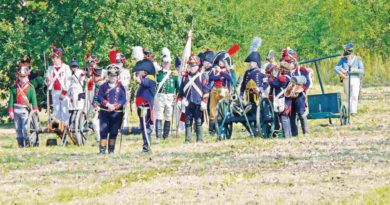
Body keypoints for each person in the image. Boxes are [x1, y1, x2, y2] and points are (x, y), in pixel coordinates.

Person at [177, 55, 210, 143]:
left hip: (198, 102)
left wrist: (204, 102)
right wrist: (179, 100)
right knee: (188, 121)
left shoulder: (202, 76)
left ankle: (199, 139)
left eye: (194, 65)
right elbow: (181, 90)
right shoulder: (185, 77)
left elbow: (206, 90)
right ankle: (188, 140)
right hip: (188, 102)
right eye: (191, 65)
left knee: (198, 121)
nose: (192, 67)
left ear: (198, 65)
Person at [96, 64, 127, 154]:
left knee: (114, 132)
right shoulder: (103, 86)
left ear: (117, 76)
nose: (112, 77)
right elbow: (99, 97)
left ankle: (111, 150)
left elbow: (123, 99)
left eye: (114, 76)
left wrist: (115, 106)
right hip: (105, 113)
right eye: (111, 75)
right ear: (108, 76)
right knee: (103, 131)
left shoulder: (121, 87)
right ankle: (102, 150)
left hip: (117, 113)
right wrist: (108, 104)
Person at [281, 48, 310, 137]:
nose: (288, 64)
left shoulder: (301, 70)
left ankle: (306, 132)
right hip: (289, 97)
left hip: (299, 95)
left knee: (301, 114)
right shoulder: (284, 72)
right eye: (287, 62)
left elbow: (307, 82)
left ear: (294, 62)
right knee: (291, 115)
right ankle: (294, 134)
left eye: (289, 62)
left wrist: (299, 89)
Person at [8, 66, 38, 147]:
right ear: (18, 76)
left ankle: (28, 142)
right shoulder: (14, 88)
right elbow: (11, 100)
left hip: (25, 110)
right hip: (16, 109)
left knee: (25, 128)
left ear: (27, 76)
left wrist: (35, 110)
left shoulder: (31, 88)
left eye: (24, 76)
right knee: (18, 128)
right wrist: (11, 111)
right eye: (20, 76)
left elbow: (34, 100)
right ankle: (20, 144)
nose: (22, 78)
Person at [44, 46, 72, 131]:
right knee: (56, 109)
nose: (53, 60)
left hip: (64, 91)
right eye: (52, 58)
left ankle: (65, 126)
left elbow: (68, 81)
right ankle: (58, 127)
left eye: (54, 58)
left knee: (64, 109)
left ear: (59, 57)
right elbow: (47, 81)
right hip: (54, 91)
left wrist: (64, 93)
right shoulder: (50, 68)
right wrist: (47, 80)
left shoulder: (66, 67)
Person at [154, 48, 180, 140]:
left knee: (168, 115)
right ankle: (158, 136)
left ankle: (166, 135)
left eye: (167, 63)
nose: (166, 64)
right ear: (162, 63)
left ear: (170, 64)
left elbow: (178, 87)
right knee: (159, 115)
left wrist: (178, 98)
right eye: (164, 63)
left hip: (170, 97)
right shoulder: (158, 74)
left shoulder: (174, 74)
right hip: (160, 96)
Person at [133, 59, 156, 152]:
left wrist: (137, 76)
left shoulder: (150, 79)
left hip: (146, 107)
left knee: (146, 128)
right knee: (143, 127)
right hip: (141, 107)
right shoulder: (145, 78)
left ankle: (147, 147)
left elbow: (141, 81)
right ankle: (145, 146)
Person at [334, 43, 364, 115]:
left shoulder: (358, 59)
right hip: (346, 78)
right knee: (348, 95)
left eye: (350, 52)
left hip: (355, 78)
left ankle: (353, 111)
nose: (348, 55)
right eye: (347, 52)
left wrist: (354, 70)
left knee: (354, 94)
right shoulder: (343, 60)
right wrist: (342, 73)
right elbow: (336, 68)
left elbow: (362, 70)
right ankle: (349, 110)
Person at [268, 62, 292, 137]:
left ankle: (286, 136)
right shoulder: (287, 76)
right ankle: (288, 135)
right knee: (285, 117)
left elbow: (274, 84)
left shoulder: (283, 78)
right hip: (285, 99)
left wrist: (270, 77)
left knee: (283, 117)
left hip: (283, 99)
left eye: (281, 68)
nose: (280, 69)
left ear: (284, 69)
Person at [109, 50, 131, 129]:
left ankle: (124, 125)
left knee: (124, 109)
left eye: (120, 62)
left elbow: (127, 83)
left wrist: (120, 82)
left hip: (124, 92)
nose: (118, 64)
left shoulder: (126, 72)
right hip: (114, 93)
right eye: (117, 62)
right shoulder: (113, 71)